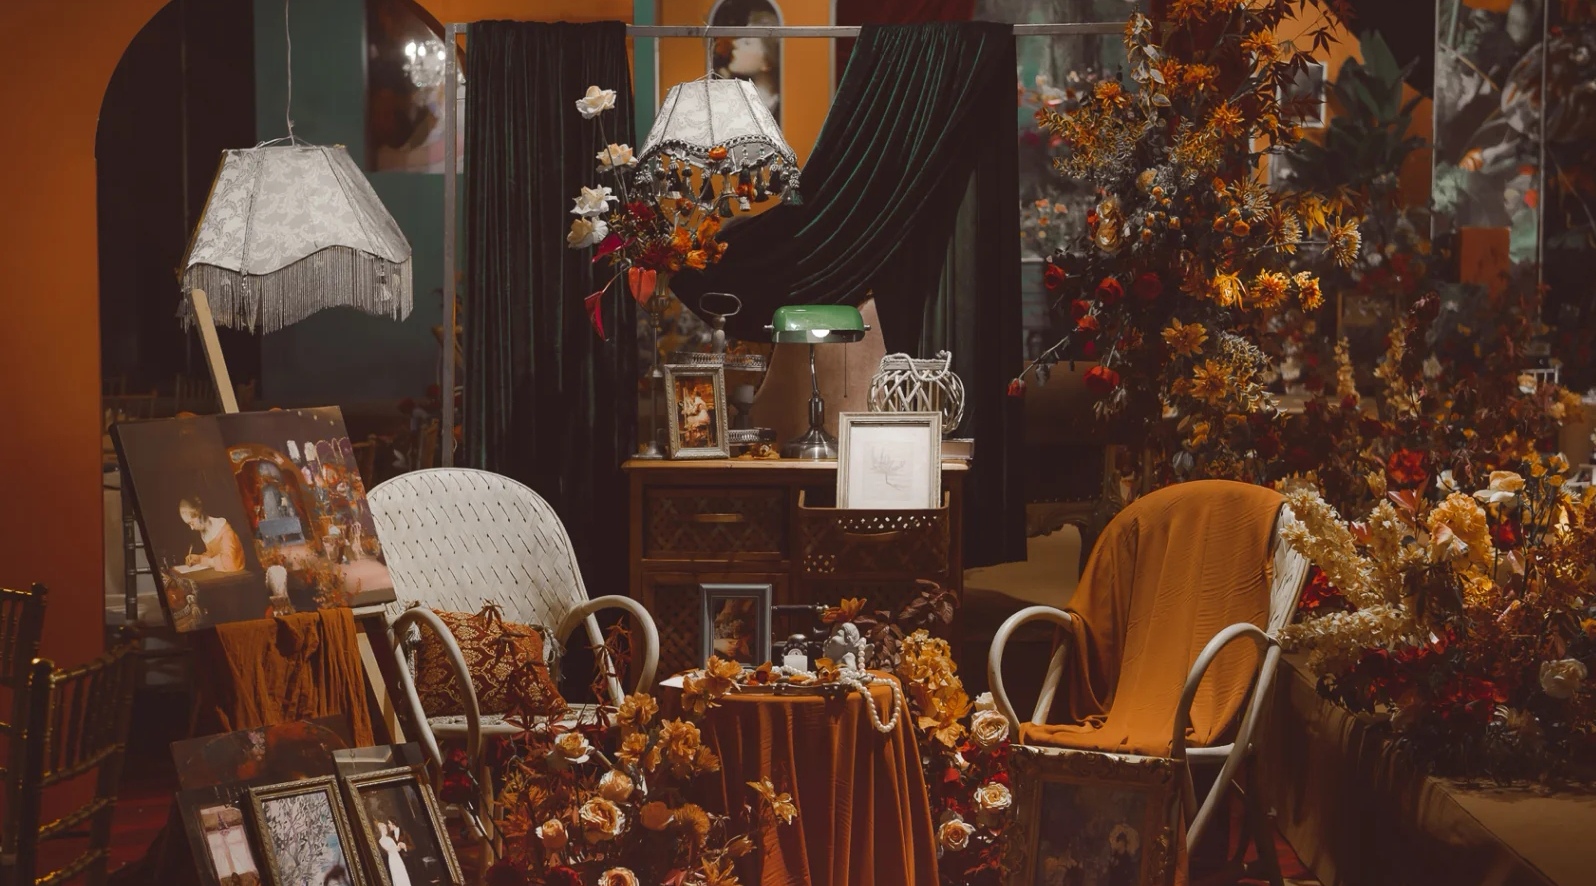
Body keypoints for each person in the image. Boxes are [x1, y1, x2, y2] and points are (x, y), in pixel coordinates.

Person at [179, 497, 245, 572]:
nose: (192, 528)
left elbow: (231, 562)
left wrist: (206, 561)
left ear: (199, 515)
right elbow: (213, 553)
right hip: (223, 573)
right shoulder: (206, 531)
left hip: (238, 573)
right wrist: (199, 558)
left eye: (192, 523)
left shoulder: (225, 531)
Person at [377, 821, 413, 886]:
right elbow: (388, 849)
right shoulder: (381, 840)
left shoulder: (389, 838)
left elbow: (397, 849)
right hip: (392, 859)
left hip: (397, 857)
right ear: (380, 830)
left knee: (402, 872)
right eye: (384, 828)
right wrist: (395, 848)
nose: (386, 829)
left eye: (386, 828)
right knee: (396, 874)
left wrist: (400, 845)